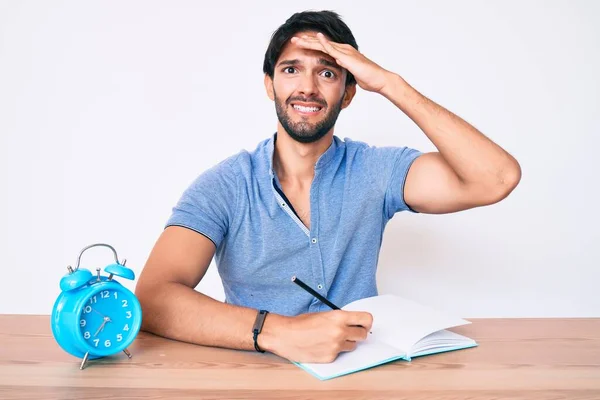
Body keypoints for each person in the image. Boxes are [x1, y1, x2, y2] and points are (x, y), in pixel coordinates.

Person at [135, 10, 521, 363]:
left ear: (349, 92)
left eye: (327, 73)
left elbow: (496, 178)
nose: (308, 88)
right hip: (253, 375)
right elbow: (152, 298)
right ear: (269, 85)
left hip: (361, 374)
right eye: (291, 70)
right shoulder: (223, 186)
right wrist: (280, 332)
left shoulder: (375, 169)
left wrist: (390, 84)